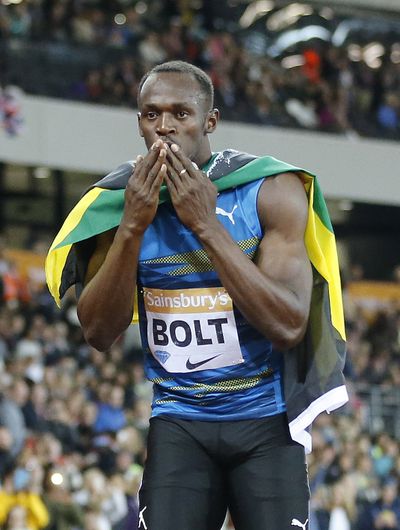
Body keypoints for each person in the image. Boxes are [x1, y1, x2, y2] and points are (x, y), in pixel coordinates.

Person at [46, 60, 348, 530]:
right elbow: (99, 333)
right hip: (180, 421)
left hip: (266, 423)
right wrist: (131, 226)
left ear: (210, 121)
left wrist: (206, 225)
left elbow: (289, 325)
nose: (164, 126)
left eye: (181, 114)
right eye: (151, 114)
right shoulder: (118, 204)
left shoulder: (269, 190)